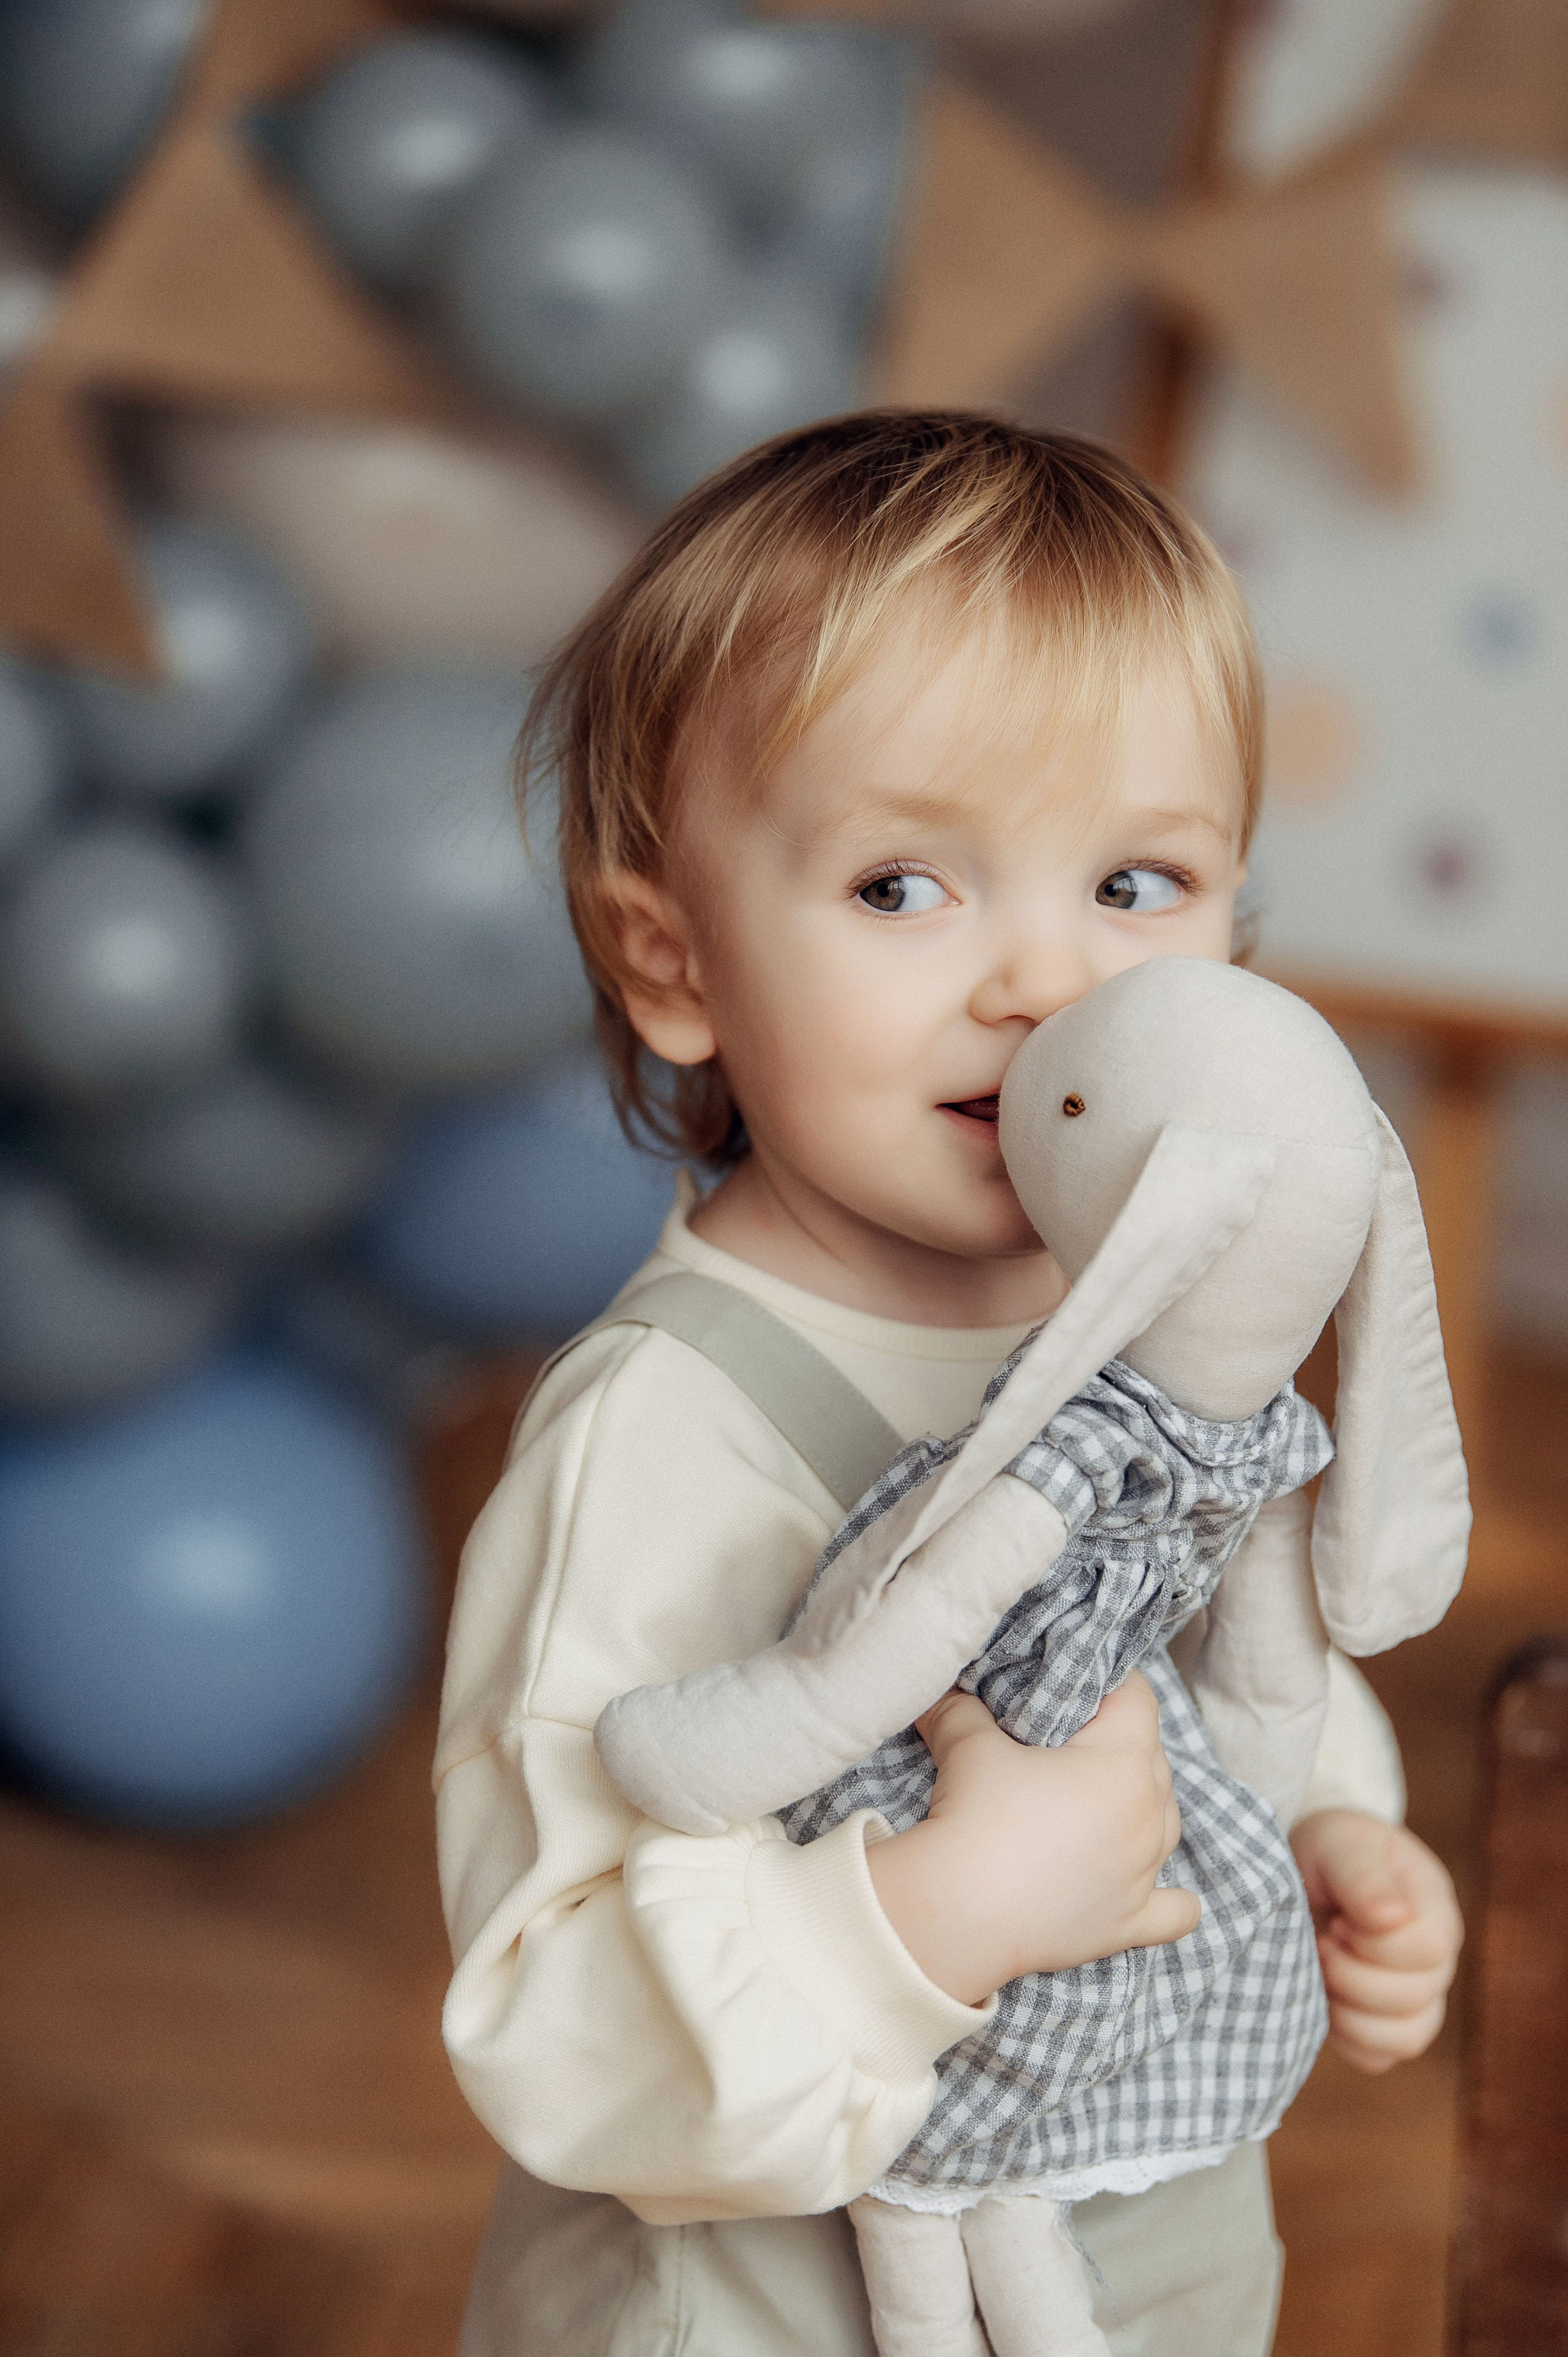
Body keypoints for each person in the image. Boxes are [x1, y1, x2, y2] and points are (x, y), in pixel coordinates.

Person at [436, 414, 1463, 2356]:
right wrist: (926, 1916)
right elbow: (550, 2019)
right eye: (907, 887)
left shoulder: (1176, 1325)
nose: (1046, 985)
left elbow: (1222, 1646)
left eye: (1139, 886)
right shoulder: (663, 1432)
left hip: (1147, 2265)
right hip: (762, 2304)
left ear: (1236, 936)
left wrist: (1327, 1821)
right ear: (675, 964)